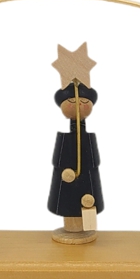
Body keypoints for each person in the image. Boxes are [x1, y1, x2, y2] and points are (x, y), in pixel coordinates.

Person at [48, 82, 103, 244]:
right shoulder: (64, 140)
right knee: (67, 199)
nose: (79, 104)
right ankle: (72, 226)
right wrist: (65, 171)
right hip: (66, 178)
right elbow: (59, 160)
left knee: (87, 197)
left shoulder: (89, 139)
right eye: (72, 101)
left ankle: (82, 226)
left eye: (85, 102)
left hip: (86, 177)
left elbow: (93, 162)